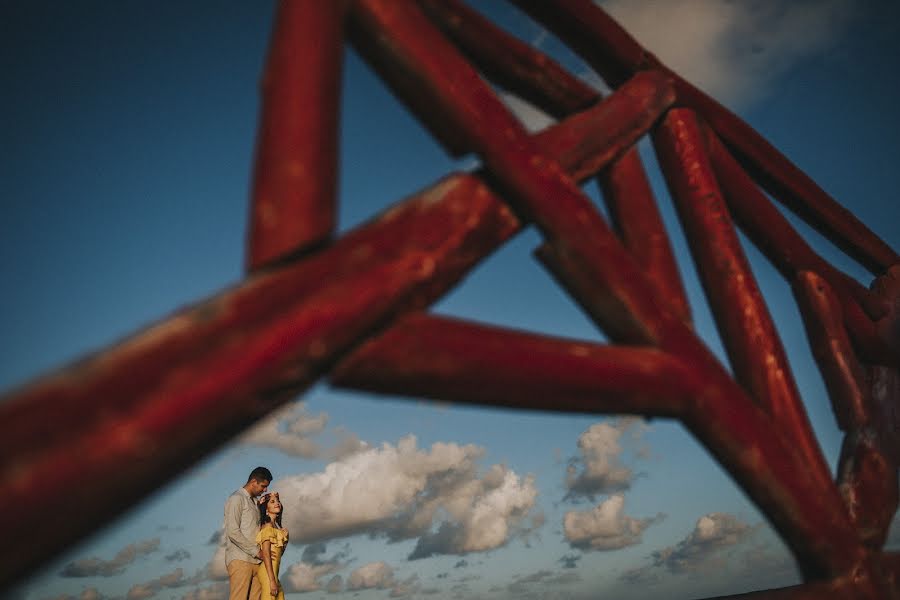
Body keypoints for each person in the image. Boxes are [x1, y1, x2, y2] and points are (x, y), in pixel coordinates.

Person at [224, 467, 272, 600]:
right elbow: (232, 531)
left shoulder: (255, 502)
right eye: (263, 486)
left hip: (257, 561)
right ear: (253, 482)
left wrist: (263, 507)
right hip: (241, 559)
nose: (265, 490)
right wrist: (256, 551)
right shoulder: (236, 498)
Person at [256, 492, 289, 598]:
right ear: (266, 508)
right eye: (272, 501)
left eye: (278, 501)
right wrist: (271, 580)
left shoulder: (276, 527)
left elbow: (279, 554)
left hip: (274, 573)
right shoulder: (267, 526)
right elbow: (265, 553)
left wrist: (286, 540)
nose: (277, 503)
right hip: (268, 573)